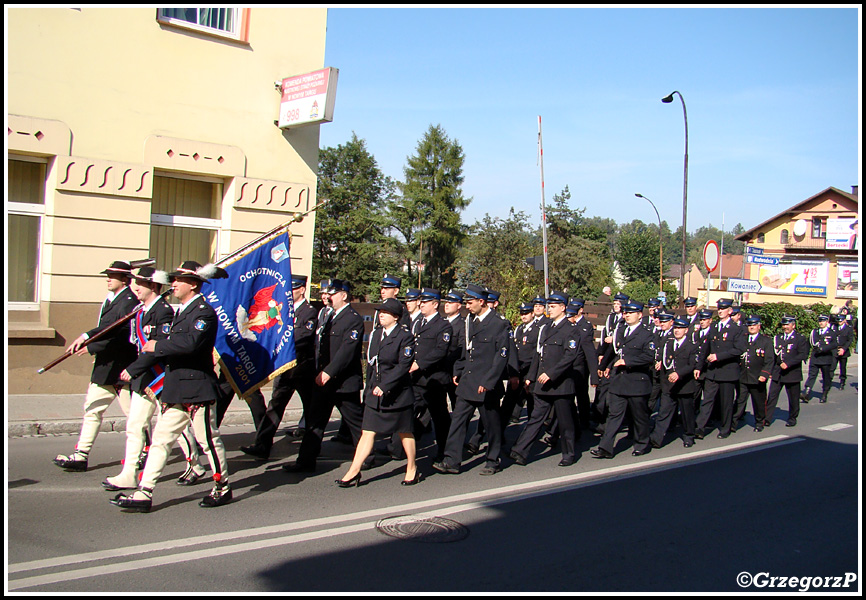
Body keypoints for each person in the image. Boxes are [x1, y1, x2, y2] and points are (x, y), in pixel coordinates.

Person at [110, 260, 232, 512]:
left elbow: (191, 345)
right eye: (173, 279)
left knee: (208, 441)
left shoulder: (203, 312)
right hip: (177, 388)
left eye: (179, 280)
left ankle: (222, 487)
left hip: (197, 389)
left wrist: (158, 346)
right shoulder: (182, 311)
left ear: (194, 284)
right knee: (161, 440)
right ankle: (144, 492)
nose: (173, 283)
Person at [54, 260, 139, 472]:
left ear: (125, 279)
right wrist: (86, 338)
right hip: (104, 368)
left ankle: (143, 451)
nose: (108, 279)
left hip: (121, 368)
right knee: (92, 410)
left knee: (135, 416)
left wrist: (92, 346)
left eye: (113, 276)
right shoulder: (112, 300)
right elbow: (103, 328)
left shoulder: (129, 301)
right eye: (108, 275)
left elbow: (120, 334)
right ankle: (81, 454)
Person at [102, 266, 174, 490]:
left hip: (159, 377)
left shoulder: (164, 311)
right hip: (143, 378)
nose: (135, 287)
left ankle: (195, 463)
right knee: (135, 425)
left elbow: (157, 349)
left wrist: (134, 369)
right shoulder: (141, 310)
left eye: (140, 284)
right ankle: (129, 473)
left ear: (153, 286)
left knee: (176, 429)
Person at [282, 279, 365, 473]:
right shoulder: (327, 316)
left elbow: (346, 351)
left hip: (342, 382)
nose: (328, 297)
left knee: (355, 423)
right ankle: (305, 460)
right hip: (323, 381)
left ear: (343, 295)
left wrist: (328, 371)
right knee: (315, 421)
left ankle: (366, 455)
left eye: (333, 293)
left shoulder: (353, 319)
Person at [336, 298, 420, 487]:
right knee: (367, 431)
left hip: (397, 394)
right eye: (380, 311)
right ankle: (354, 471)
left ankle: (412, 468)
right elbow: (373, 365)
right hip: (376, 393)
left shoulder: (405, 336)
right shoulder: (376, 334)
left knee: (404, 432)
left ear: (396, 317)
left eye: (386, 312)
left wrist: (386, 385)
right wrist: (369, 389)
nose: (381, 315)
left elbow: (403, 366)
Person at [433, 284, 511, 476]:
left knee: (491, 424)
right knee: (458, 420)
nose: (467, 306)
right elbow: (467, 350)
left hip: (485, 384)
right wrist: (458, 370)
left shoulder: (499, 323)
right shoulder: (470, 320)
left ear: (481, 302)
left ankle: (493, 460)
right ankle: (451, 460)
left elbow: (501, 356)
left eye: (470, 302)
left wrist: (489, 381)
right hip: (468, 380)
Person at [240, 274, 317, 460]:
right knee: (275, 407)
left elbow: (302, 338)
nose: (289, 292)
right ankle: (262, 445)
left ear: (302, 290)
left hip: (302, 369)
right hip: (284, 369)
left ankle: (311, 449)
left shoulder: (309, 312)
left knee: (312, 410)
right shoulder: (282, 310)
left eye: (293, 288)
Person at [510, 292, 582, 467]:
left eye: (554, 306)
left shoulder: (571, 329)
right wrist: (530, 377)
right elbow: (538, 355)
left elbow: (569, 356)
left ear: (563, 308)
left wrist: (552, 373)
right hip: (543, 383)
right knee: (535, 418)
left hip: (561, 384)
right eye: (549, 306)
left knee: (565, 422)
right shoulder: (546, 328)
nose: (550, 308)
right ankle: (520, 451)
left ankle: (568, 453)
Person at [590, 301, 655, 459]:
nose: (626, 315)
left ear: (639, 315)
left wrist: (629, 362)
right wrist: (602, 366)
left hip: (637, 381)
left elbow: (649, 356)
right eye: (625, 313)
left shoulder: (647, 334)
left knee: (638, 416)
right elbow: (613, 352)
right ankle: (605, 447)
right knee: (614, 415)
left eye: (630, 313)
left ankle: (641, 444)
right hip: (619, 381)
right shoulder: (621, 331)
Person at [408, 288, 453, 462]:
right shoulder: (419, 323)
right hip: (417, 380)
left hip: (434, 380)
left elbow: (440, 351)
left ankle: (444, 451)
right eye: (421, 302)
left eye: (425, 302)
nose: (421, 304)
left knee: (439, 417)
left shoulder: (443, 326)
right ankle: (404, 447)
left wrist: (420, 364)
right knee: (410, 412)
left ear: (435, 304)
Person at [695, 298, 745, 439]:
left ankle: (725, 428)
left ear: (730, 311)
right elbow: (706, 348)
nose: (720, 311)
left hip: (727, 371)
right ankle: (700, 427)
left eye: (723, 309)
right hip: (713, 371)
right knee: (707, 400)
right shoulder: (715, 327)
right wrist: (699, 366)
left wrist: (719, 356)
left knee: (726, 403)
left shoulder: (736, 329)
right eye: (719, 309)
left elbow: (739, 349)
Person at [649, 317, 699, 448]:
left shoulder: (691, 346)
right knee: (663, 412)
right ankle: (656, 438)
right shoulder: (668, 344)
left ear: (686, 330)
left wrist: (678, 373)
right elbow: (665, 360)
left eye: (680, 328)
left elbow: (692, 364)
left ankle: (689, 436)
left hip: (684, 385)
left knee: (687, 413)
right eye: (676, 328)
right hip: (669, 385)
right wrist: (669, 372)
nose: (677, 331)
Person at [765, 315, 809, 428]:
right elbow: (774, 355)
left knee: (793, 398)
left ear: (793, 326)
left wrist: (789, 364)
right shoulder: (778, 338)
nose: (785, 327)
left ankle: (792, 418)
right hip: (778, 372)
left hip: (792, 373)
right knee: (772, 396)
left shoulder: (800, 338)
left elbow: (802, 355)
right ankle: (767, 418)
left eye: (787, 324)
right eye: (784, 325)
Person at [736, 315, 774, 432]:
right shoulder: (743, 339)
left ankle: (759, 422)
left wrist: (765, 374)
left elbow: (769, 359)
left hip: (757, 377)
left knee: (758, 402)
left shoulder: (765, 341)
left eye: (754, 325)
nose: (751, 327)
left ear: (759, 326)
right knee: (740, 401)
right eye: (749, 325)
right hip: (743, 376)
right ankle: (733, 422)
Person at [801, 315, 838, 404]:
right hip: (815, 357)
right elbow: (808, 344)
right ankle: (807, 392)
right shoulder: (814, 332)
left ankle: (824, 393)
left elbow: (834, 344)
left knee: (826, 377)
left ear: (827, 322)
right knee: (812, 375)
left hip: (826, 358)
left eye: (823, 321)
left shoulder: (831, 333)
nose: (821, 323)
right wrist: (805, 355)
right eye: (820, 321)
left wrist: (824, 349)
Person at [442, 289, 465, 411]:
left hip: (453, 370)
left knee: (456, 403)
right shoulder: (442, 323)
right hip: (441, 369)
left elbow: (461, 349)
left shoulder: (462, 325)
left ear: (459, 305)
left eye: (451, 302)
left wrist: (457, 371)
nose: (447, 304)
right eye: (446, 302)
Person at [833, 313, 853, 389]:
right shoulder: (835, 327)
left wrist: (844, 348)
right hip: (835, 349)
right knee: (832, 366)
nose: (839, 322)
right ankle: (828, 380)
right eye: (838, 320)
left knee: (843, 367)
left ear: (844, 320)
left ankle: (842, 381)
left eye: (841, 320)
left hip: (843, 350)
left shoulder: (848, 328)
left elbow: (850, 340)